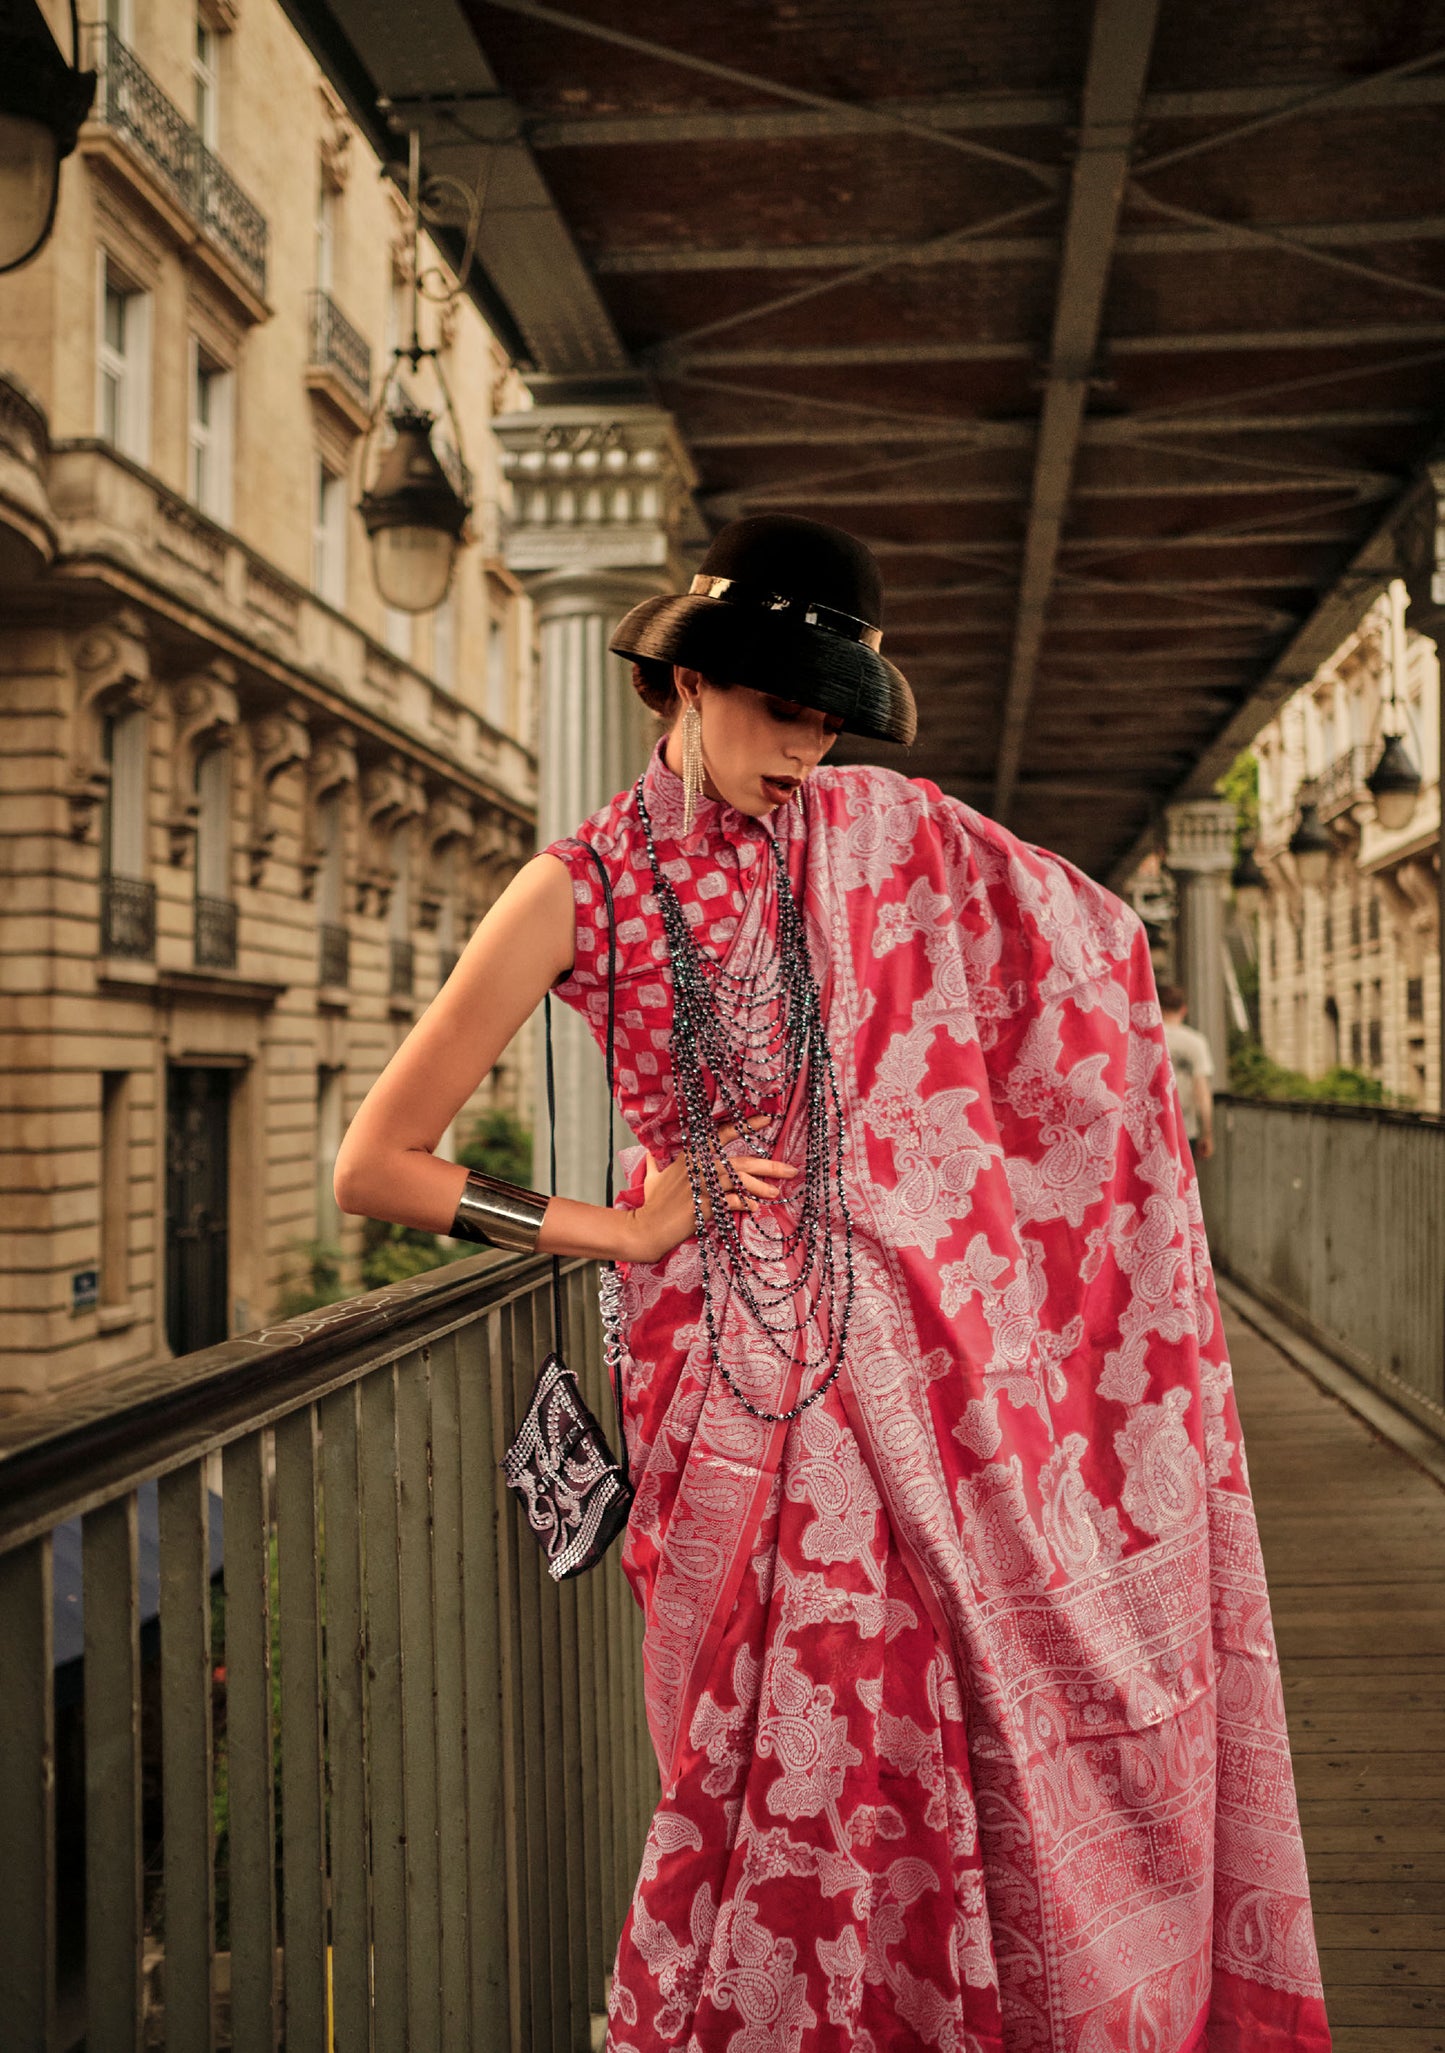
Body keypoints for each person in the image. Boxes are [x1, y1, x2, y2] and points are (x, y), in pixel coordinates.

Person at [336, 516, 1330, 2052]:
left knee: (920, 1692)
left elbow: (1097, 956)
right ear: (682, 682)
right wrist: (619, 1231)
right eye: (778, 709)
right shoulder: (574, 888)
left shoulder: (874, 835)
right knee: (768, 1741)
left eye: (825, 718)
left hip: (899, 1349)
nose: (804, 750)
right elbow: (380, 1162)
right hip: (722, 1371)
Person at [1160, 984, 1216, 1161]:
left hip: (1147, 1129)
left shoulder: (1142, 1038)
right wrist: (1207, 1133)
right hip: (1184, 1129)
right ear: (1183, 1010)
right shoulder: (1195, 1042)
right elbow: (1202, 1093)